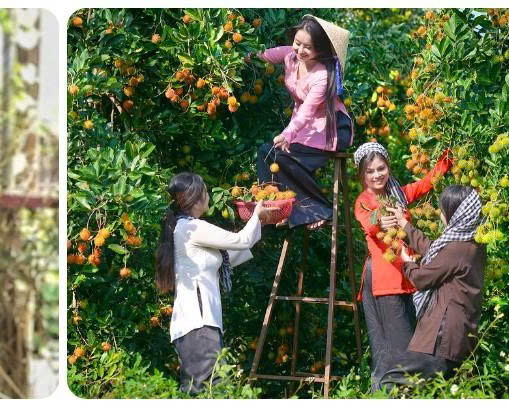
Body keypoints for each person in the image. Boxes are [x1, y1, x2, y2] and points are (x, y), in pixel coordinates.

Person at [155, 172, 275, 394]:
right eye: (206, 192)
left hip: (197, 326)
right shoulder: (192, 228)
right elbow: (241, 240)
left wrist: (261, 223)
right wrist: (257, 213)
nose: (208, 196)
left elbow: (229, 256)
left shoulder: (182, 228)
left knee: (201, 389)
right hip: (198, 324)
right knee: (211, 389)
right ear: (196, 198)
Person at [351, 142, 451, 391]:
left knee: (393, 348)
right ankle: (397, 394)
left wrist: (449, 155)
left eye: (381, 168)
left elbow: (427, 182)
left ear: (388, 167)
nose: (377, 175)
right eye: (370, 171)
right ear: (362, 174)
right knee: (402, 348)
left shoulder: (398, 195)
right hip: (384, 280)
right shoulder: (364, 201)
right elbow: (369, 224)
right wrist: (380, 220)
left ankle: (384, 395)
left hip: (404, 278)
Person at [248, 15, 354, 229]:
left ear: (321, 50)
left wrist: (288, 134)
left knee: (284, 156)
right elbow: (263, 56)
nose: (300, 50)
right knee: (266, 152)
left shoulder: (322, 75)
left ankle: (319, 210)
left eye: (308, 47)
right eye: (298, 43)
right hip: (306, 127)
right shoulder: (290, 55)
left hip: (330, 127)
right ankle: (275, 207)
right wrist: (238, 57)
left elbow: (307, 112)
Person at [396, 185, 485, 378]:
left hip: (441, 338)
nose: (440, 214)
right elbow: (437, 254)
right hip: (459, 336)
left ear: (455, 214)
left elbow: (422, 278)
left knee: (395, 381)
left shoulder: (457, 248)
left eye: (443, 210)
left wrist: (407, 262)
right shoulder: (472, 243)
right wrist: (404, 226)